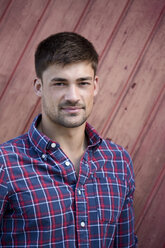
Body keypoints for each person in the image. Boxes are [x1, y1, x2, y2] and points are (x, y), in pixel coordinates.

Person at [0, 32, 137, 247]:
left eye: (82, 83)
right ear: (39, 86)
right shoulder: (5, 164)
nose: (73, 96)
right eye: (60, 84)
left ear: (95, 85)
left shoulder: (118, 162)